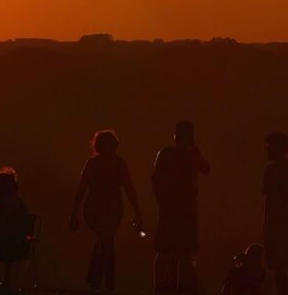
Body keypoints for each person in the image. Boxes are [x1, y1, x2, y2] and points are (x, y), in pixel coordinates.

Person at [70, 129, 144, 291]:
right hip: (98, 208)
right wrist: (74, 213)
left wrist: (137, 211)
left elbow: (129, 188)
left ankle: (97, 278)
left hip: (110, 208)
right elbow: (81, 188)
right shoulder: (95, 164)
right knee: (107, 239)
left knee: (105, 240)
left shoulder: (117, 164)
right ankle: (107, 278)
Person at [152, 121, 210, 294]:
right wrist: (162, 200)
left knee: (182, 249)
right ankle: (162, 287)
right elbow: (156, 179)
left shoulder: (190, 153)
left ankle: (179, 286)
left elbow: (206, 168)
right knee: (167, 248)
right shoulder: (167, 153)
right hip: (173, 207)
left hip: (184, 208)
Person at [264, 132, 288, 295]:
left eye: (269, 147)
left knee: (279, 270)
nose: (267, 150)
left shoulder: (271, 170)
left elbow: (269, 203)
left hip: (277, 226)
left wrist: (266, 227)